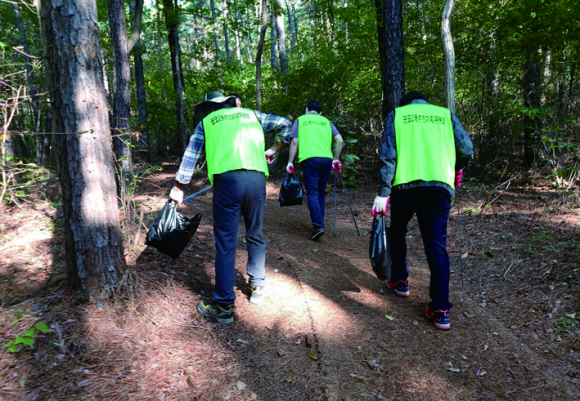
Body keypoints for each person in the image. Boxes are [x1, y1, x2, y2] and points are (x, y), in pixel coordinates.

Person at [169, 91, 291, 324]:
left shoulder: (207, 122)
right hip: (256, 180)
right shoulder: (252, 115)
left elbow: (191, 155)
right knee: (255, 233)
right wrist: (274, 150)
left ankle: (224, 306)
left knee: (226, 242)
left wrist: (178, 187)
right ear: (231, 102)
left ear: (211, 107)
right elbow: (286, 124)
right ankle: (257, 287)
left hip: (227, 183)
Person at [373, 91, 473, 330]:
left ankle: (400, 281)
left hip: (405, 187)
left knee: (397, 231)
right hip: (439, 188)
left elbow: (388, 155)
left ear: (406, 104)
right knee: (436, 246)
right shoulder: (444, 115)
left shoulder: (398, 115)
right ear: (425, 103)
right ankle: (440, 309)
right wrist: (455, 168)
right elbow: (466, 149)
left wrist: (384, 192)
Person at [287, 100, 344, 240]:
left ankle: (318, 226)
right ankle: (319, 224)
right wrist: (336, 158)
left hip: (309, 159)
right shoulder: (326, 121)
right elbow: (340, 140)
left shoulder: (300, 120)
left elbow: (294, 142)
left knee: (312, 192)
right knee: (321, 193)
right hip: (326, 159)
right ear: (320, 112)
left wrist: (290, 162)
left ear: (306, 109)